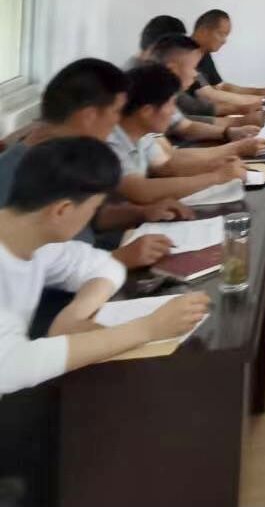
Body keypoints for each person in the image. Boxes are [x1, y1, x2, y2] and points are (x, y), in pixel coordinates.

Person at [0, 137, 209, 397]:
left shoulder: (32, 239)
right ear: (62, 210)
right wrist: (148, 328)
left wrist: (73, 316)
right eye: (93, 208)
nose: (92, 217)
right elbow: (10, 366)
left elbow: (103, 265)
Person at [0, 58, 186, 268]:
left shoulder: (70, 156)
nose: (118, 122)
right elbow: (25, 272)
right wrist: (116, 259)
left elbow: (89, 218)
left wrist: (142, 212)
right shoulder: (11, 176)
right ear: (89, 116)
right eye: (116, 111)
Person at [109, 64, 247, 205]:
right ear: (147, 111)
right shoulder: (111, 141)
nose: (173, 113)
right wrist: (216, 177)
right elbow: (140, 191)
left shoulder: (143, 134)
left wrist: (215, 165)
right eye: (171, 104)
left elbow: (165, 167)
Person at [147, 34, 265, 149]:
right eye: (193, 68)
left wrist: (229, 133)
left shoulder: (166, 93)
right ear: (172, 69)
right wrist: (235, 147)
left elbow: (186, 126)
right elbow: (169, 159)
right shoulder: (149, 99)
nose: (196, 75)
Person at [190, 9, 265, 111]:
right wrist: (264, 100)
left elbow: (220, 86)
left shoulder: (204, 53)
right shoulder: (187, 55)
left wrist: (259, 92)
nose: (224, 41)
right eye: (221, 34)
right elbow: (209, 95)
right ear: (204, 31)